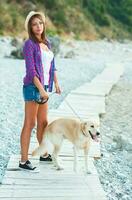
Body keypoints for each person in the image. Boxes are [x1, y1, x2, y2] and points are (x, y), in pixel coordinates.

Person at [19, 11, 61, 172]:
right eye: (35, 24)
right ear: (30, 26)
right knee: (30, 124)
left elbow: (52, 65)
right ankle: (23, 161)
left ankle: (44, 154)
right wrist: (41, 89)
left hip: (44, 89)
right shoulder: (29, 44)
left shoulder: (47, 43)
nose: (38, 26)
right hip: (32, 88)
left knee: (43, 123)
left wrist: (56, 83)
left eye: (40, 23)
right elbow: (31, 71)